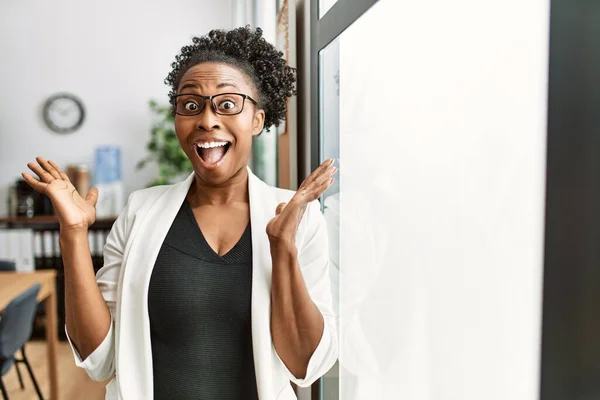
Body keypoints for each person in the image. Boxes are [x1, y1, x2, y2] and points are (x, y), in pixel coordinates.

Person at [22, 26, 338, 400]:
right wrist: (73, 233)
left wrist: (282, 248)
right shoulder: (141, 212)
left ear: (257, 120)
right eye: (190, 105)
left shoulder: (297, 218)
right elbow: (99, 359)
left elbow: (306, 365)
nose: (207, 119)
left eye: (227, 104)